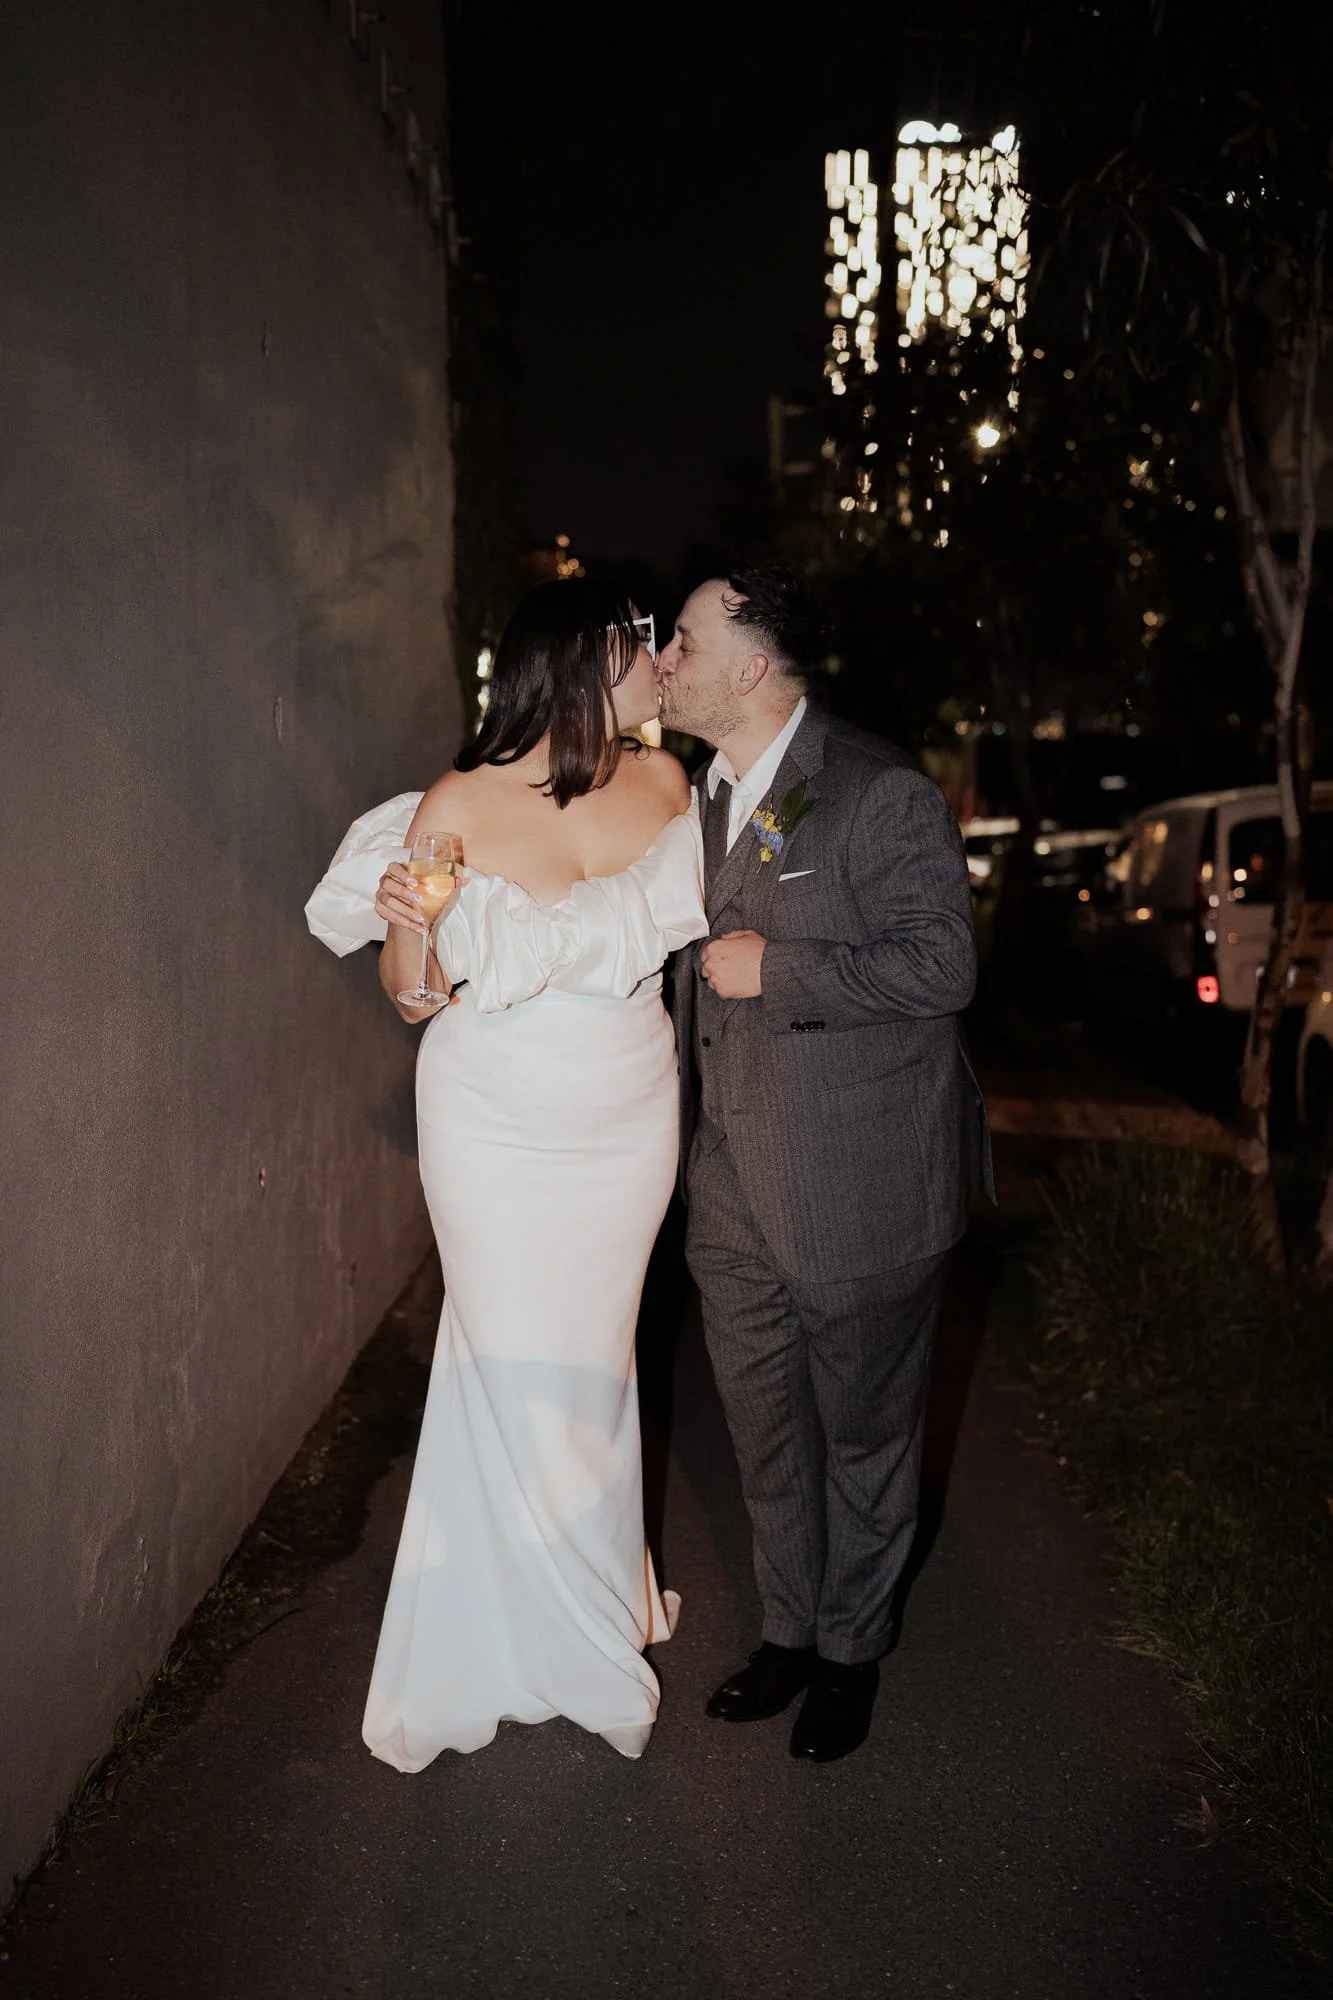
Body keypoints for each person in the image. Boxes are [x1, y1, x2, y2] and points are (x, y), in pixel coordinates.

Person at [305, 580, 708, 1767]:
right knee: (509, 1356)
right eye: (643, 649)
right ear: (582, 662)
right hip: (490, 1113)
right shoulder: (457, 800)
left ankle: (567, 1592)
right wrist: (413, 925)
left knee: (591, 1363)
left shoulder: (669, 783)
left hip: (628, 1110)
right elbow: (413, 995)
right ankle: (568, 1637)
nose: (659, 667)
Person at [656, 562, 992, 1765]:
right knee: (764, 1431)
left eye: (684, 640)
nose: (666, 658)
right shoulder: (693, 796)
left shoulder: (877, 789)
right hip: (732, 1190)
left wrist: (778, 971)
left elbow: (941, 966)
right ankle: (789, 1632)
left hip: (860, 1182)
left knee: (862, 1434)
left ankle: (852, 1652)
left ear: (751, 666)